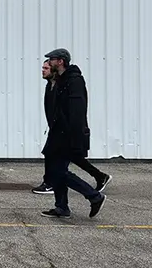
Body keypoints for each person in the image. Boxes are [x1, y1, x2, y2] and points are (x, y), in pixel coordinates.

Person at [39, 48, 106, 218]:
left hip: (67, 135)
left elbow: (77, 111)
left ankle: (94, 196)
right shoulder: (58, 81)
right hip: (56, 135)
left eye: (51, 60)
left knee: (59, 172)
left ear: (60, 61)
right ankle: (62, 206)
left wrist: (74, 138)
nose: (49, 63)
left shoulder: (74, 81)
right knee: (55, 172)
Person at [32, 59, 113, 195]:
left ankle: (53, 185)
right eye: (43, 68)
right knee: (66, 157)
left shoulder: (63, 84)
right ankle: (99, 177)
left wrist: (70, 130)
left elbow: (73, 109)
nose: (43, 70)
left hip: (65, 130)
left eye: (46, 68)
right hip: (56, 129)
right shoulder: (50, 85)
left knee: (58, 162)